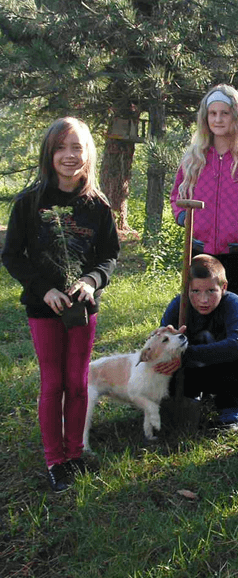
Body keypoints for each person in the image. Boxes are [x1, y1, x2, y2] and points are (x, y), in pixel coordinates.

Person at [2, 117, 120, 492]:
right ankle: (55, 459)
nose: (69, 156)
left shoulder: (97, 206)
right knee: (54, 383)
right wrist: (43, 290)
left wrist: (90, 281)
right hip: (44, 308)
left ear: (88, 154)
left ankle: (75, 452)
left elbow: (109, 255)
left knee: (78, 382)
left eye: (77, 148)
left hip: (83, 308)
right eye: (61, 148)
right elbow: (12, 255)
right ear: (49, 154)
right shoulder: (30, 203)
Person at [170, 84, 238, 325]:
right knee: (198, 314)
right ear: (205, 118)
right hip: (199, 250)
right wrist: (185, 219)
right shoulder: (195, 157)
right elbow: (177, 196)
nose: (218, 119)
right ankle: (199, 361)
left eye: (224, 113)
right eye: (212, 113)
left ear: (236, 116)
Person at [159, 254, 238, 430]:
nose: (203, 300)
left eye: (211, 291)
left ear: (223, 287)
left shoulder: (233, 303)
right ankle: (188, 397)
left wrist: (185, 355)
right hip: (203, 366)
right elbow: (161, 341)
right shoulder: (179, 305)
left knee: (233, 349)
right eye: (196, 291)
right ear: (187, 289)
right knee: (172, 353)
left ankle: (234, 406)